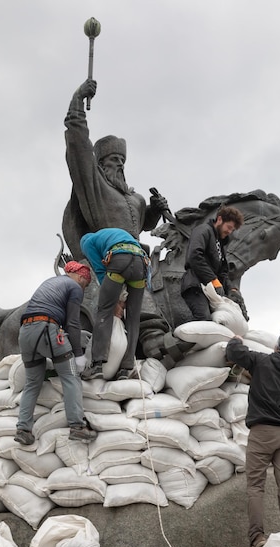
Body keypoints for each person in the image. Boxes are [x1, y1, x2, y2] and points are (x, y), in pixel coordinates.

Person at [62, 77, 193, 363]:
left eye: (122, 161)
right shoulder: (95, 188)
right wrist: (76, 105)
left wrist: (156, 210)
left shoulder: (134, 198)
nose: (120, 164)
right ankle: (141, 342)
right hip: (107, 258)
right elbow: (79, 151)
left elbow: (143, 225)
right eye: (113, 160)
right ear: (99, 164)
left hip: (138, 259)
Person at [225, 330, 280, 547]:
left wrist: (237, 340)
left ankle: (257, 538)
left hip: (261, 434)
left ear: (276, 346)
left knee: (255, 487)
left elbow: (233, 351)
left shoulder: (260, 361)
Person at [14, 261, 97, 445]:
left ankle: (23, 429)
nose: (84, 287)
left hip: (26, 333)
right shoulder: (74, 287)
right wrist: (79, 355)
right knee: (70, 375)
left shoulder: (51, 282)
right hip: (46, 329)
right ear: (81, 276)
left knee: (32, 383)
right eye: (86, 283)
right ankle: (77, 426)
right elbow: (73, 323)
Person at [80, 228, 149, 381]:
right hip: (141, 265)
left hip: (120, 261)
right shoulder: (111, 235)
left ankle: (97, 364)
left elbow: (99, 269)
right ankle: (126, 367)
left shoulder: (87, 242)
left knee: (105, 310)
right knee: (133, 318)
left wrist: (111, 296)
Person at [181, 205, 244, 321]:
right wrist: (213, 279)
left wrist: (232, 289)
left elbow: (223, 273)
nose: (229, 232)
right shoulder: (203, 230)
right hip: (195, 286)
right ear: (219, 219)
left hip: (211, 291)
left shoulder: (220, 243)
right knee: (204, 318)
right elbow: (194, 256)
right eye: (228, 227)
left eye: (232, 230)